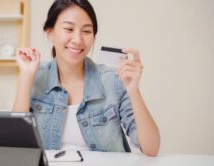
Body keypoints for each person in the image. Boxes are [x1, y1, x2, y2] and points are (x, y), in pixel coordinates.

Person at [13, 0, 160, 156]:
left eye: (87, 31)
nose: (77, 39)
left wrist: (134, 91)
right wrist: (26, 77)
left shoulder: (113, 80)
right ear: (50, 33)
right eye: (69, 29)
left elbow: (151, 149)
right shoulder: (36, 75)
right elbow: (15, 142)